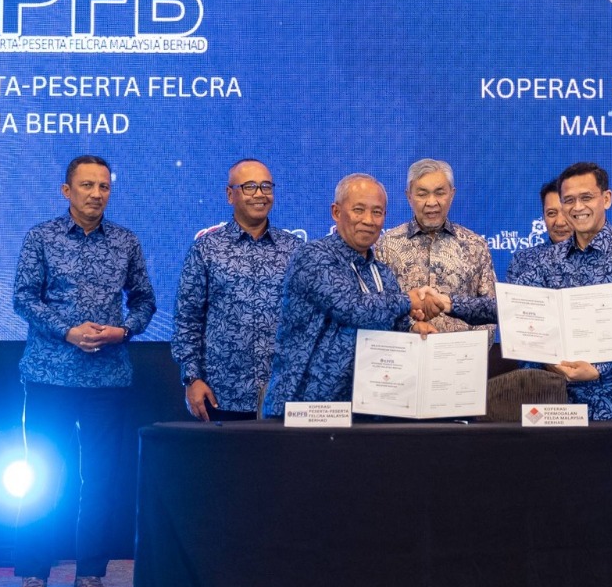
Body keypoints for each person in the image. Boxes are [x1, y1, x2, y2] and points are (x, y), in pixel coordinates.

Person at [10, 155, 156, 587]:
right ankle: (34, 576)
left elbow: (145, 302)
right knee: (43, 476)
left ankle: (90, 575)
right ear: (66, 190)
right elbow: (23, 298)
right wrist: (67, 331)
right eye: (87, 185)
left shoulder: (126, 242)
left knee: (100, 480)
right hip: (49, 375)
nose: (96, 193)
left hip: (107, 378)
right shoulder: (41, 237)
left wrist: (123, 331)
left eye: (104, 186)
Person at [262, 174, 449, 415]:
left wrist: (414, 331)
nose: (368, 220)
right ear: (336, 212)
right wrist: (408, 300)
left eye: (377, 212)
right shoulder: (313, 256)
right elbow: (351, 307)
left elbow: (393, 326)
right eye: (359, 210)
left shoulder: (382, 272)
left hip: (365, 409)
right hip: (305, 408)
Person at [512, 161, 612, 419]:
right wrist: (451, 304)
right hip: (570, 405)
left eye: (586, 198)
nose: (577, 207)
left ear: (606, 199)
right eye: (569, 200)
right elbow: (515, 304)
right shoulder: (550, 260)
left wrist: (599, 368)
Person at [171, 158, 301, 421]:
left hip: (283, 394)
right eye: (250, 186)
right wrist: (192, 379)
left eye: (266, 186)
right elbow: (187, 320)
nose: (260, 194)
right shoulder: (206, 249)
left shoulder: (295, 250)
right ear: (230, 195)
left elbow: (307, 321)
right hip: (221, 395)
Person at [374, 158, 497, 333]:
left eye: (439, 193)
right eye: (422, 194)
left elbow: (491, 309)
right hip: (406, 347)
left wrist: (475, 347)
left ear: (452, 194)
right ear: (409, 196)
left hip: (461, 349)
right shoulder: (386, 245)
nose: (432, 202)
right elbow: (378, 308)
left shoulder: (475, 245)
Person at [506, 178, 571, 287]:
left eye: (566, 212)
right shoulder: (522, 260)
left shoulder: (598, 258)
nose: (559, 222)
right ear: (544, 217)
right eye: (551, 213)